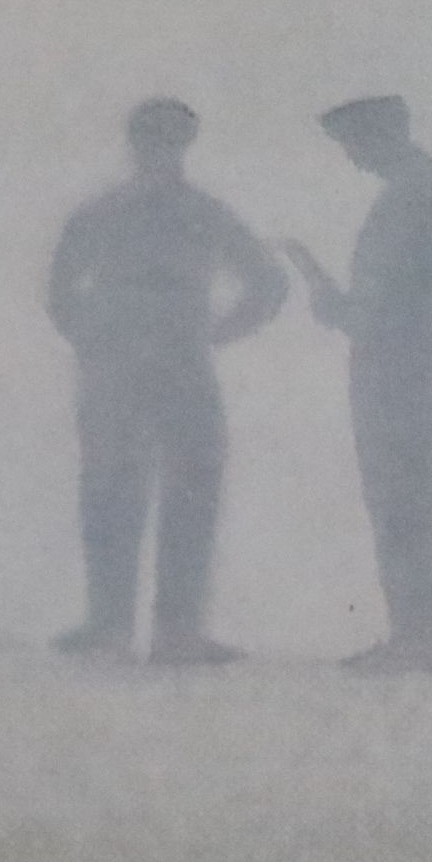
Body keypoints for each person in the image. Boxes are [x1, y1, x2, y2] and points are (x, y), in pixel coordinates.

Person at [45, 98, 285, 665]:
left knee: (115, 488)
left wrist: (97, 339)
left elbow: (60, 296)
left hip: (122, 366)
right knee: (182, 489)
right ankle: (171, 630)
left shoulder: (100, 212)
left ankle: (112, 626)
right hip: (176, 362)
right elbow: (268, 287)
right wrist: (213, 333)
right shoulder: (203, 212)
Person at [285, 96, 432, 674]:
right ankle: (421, 633)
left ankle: (415, 637)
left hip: (394, 370)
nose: (352, 160)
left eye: (354, 146)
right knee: (424, 496)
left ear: (378, 138)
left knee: (402, 500)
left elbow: (387, 302)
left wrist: (341, 308)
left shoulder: (409, 199)